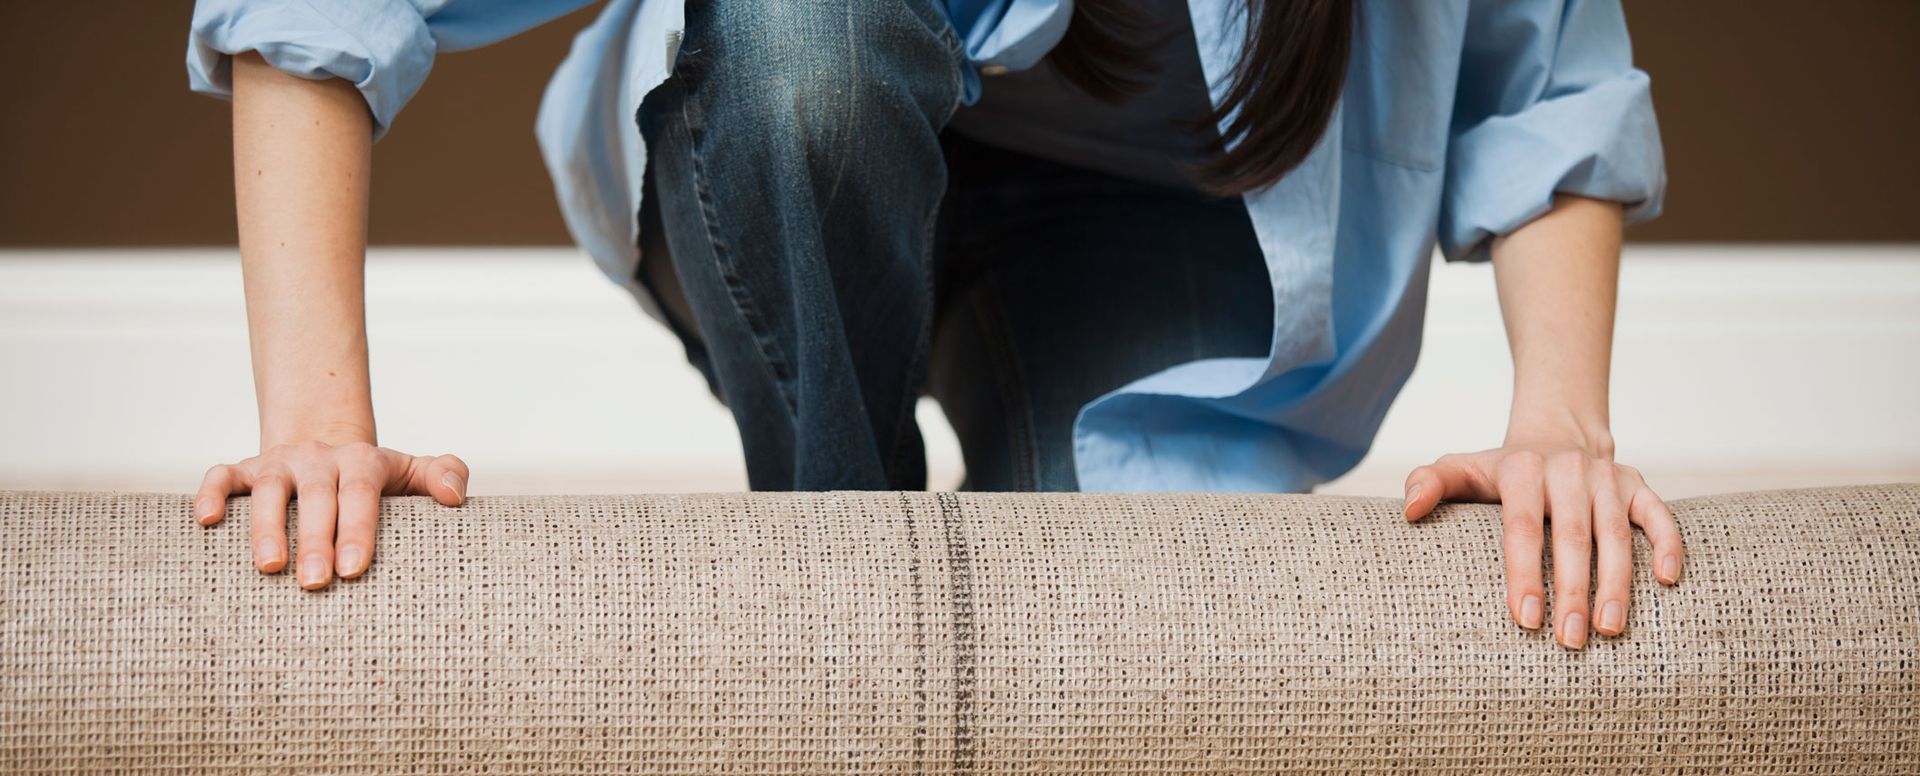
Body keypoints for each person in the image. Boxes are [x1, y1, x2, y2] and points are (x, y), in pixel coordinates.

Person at [185, 0, 1684, 650]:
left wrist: (1560, 424)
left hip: (1149, 216)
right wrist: (317, 426)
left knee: (1114, 659)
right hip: (796, 120)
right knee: (808, 53)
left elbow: (1545, 78)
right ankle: (838, 587)